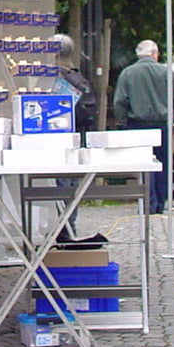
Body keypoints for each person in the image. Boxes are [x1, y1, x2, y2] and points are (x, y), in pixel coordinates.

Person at [113, 39, 174, 215]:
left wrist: (122, 121)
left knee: (144, 164)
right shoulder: (166, 72)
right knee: (163, 164)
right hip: (162, 124)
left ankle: (147, 202)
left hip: (137, 125)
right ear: (154, 54)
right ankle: (161, 202)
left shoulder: (128, 73)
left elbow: (120, 101)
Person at [53, 33, 100, 240]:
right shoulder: (76, 74)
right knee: (72, 184)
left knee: (61, 183)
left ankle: (63, 230)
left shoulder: (53, 77)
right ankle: (70, 226)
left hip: (58, 138)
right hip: (77, 137)